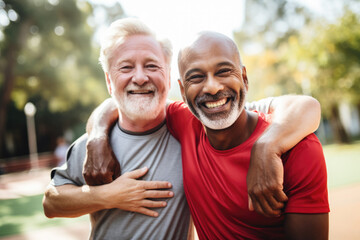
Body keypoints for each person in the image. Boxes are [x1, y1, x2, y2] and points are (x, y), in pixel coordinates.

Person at [43, 18, 322, 239]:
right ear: (109, 80)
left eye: (151, 65)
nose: (139, 77)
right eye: (126, 67)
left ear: (166, 76)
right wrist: (105, 181)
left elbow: (306, 106)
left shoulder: (193, 121)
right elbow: (51, 202)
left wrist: (267, 146)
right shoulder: (102, 141)